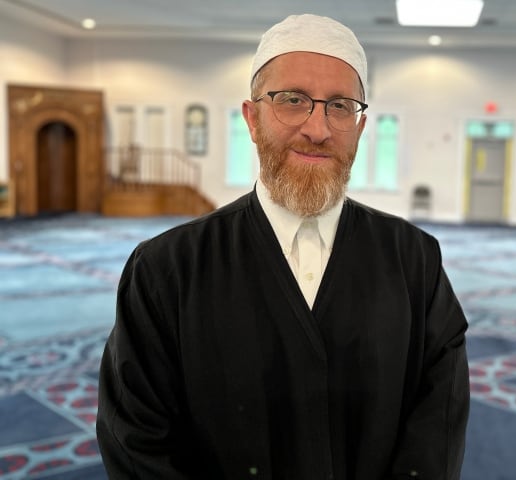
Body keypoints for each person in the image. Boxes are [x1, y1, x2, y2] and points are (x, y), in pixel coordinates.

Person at [96, 13, 469, 480]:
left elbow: (438, 427)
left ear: (360, 125)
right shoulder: (166, 270)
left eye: (340, 105)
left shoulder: (415, 261)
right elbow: (137, 441)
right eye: (292, 100)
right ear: (252, 118)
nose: (318, 128)